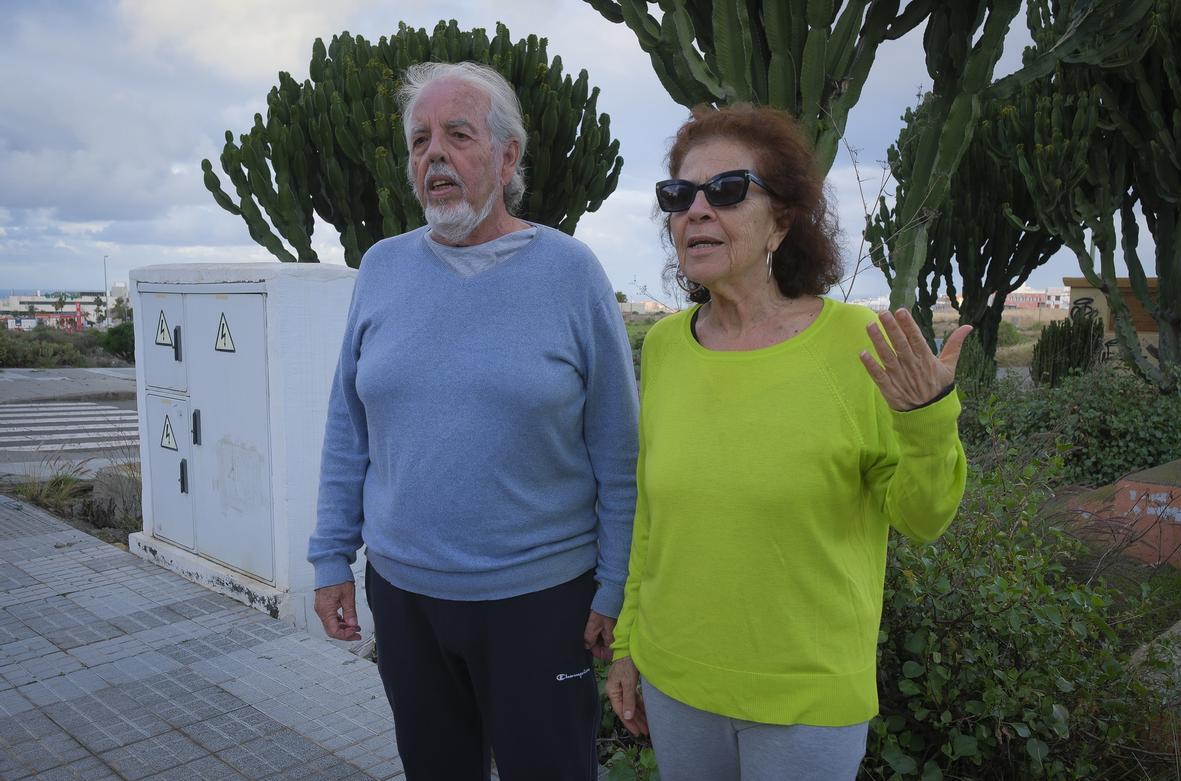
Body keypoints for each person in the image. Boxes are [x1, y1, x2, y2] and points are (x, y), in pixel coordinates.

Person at [603, 104, 971, 780]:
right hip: (676, 678)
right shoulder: (663, 347)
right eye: (679, 195)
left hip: (806, 697)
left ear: (782, 218)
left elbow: (923, 518)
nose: (697, 210)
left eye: (727, 190)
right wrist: (629, 642)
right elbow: (653, 517)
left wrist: (926, 418)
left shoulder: (858, 343)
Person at [307, 61, 639, 781]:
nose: (434, 156)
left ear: (507, 155)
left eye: (458, 136)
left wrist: (615, 585)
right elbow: (348, 427)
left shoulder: (570, 272)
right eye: (419, 141)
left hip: (542, 601)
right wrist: (331, 555)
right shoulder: (383, 267)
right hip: (405, 598)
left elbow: (618, 450)